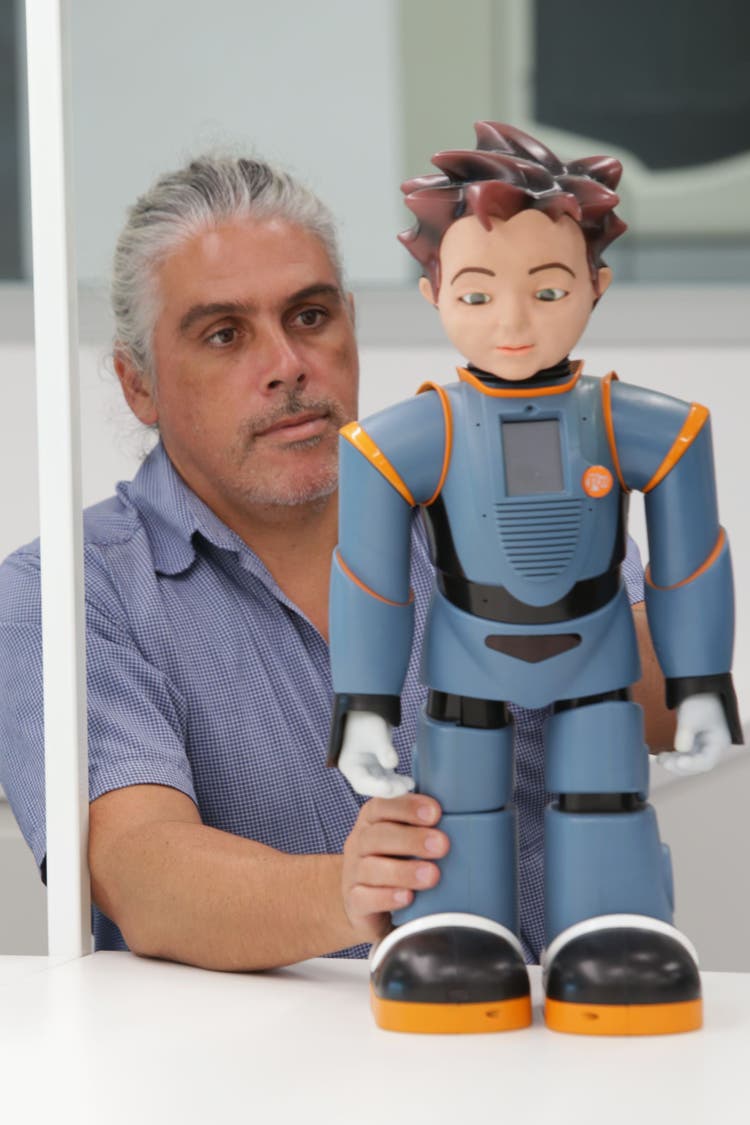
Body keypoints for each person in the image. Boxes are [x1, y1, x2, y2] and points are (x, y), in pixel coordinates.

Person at [0, 154, 667, 971]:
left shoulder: (483, 484)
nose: (287, 364)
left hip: (550, 1028)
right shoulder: (65, 596)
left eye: (310, 316)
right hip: (253, 1057)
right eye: (224, 334)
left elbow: (661, 706)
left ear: (350, 324)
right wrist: (357, 889)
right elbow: (138, 868)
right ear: (138, 384)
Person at [327, 122, 741, 1034]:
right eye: (477, 294)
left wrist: (703, 682)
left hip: (596, 666)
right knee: (461, 806)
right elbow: (369, 578)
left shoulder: (637, 423)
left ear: (596, 285)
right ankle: (457, 927)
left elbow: (691, 556)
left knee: (603, 799)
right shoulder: (411, 437)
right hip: (467, 669)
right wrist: (362, 705)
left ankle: (611, 923)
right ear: (434, 294)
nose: (512, 323)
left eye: (547, 290)